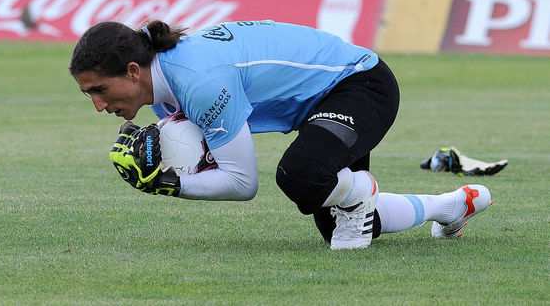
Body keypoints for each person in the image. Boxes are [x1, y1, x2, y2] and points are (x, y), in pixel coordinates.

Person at [69, 20, 492, 250]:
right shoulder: (165, 93)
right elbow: (212, 160)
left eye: (99, 91)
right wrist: (167, 164)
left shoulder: (196, 80)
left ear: (132, 71)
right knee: (343, 226)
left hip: (361, 84)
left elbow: (241, 182)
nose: (99, 106)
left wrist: (170, 184)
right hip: (323, 104)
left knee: (301, 175)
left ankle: (359, 188)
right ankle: (453, 206)